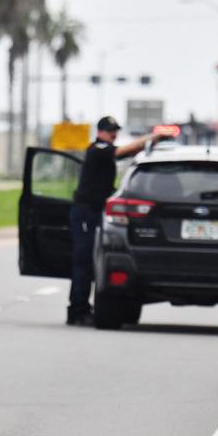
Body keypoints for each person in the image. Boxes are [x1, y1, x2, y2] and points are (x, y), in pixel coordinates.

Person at [67, 116, 164, 325]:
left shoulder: (105, 152)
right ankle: (77, 310)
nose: (114, 134)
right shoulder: (98, 149)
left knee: (90, 262)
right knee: (83, 261)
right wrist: (152, 138)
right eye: (111, 130)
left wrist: (147, 145)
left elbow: (125, 153)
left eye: (115, 131)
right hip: (85, 212)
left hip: (94, 212)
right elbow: (123, 151)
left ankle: (82, 308)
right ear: (100, 131)